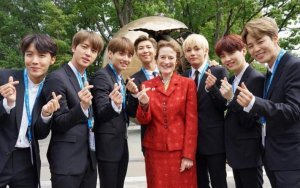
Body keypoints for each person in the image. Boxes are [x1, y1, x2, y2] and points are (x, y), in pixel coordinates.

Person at [237, 17, 300, 188]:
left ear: (275, 38)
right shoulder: (270, 71)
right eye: (250, 46)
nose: (256, 49)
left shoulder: (294, 66)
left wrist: (254, 103)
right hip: (273, 157)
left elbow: (294, 110)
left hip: (291, 160)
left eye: (260, 41)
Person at [42, 30, 104, 188]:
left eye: (94, 50)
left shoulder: (86, 79)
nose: (88, 53)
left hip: (89, 160)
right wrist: (82, 107)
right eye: (84, 47)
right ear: (73, 47)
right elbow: (59, 122)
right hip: (67, 162)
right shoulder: (57, 78)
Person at [0, 34, 61, 188]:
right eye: (29, 55)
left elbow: (41, 134)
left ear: (52, 59)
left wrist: (45, 115)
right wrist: (7, 103)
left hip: (27, 159)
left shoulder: (50, 88)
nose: (35, 61)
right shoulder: (6, 78)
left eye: (41, 56)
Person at [136, 40, 198, 187]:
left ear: (176, 61)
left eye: (171, 58)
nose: (166, 61)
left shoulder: (187, 84)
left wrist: (188, 155)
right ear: (156, 59)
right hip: (154, 152)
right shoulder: (146, 85)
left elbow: (191, 122)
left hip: (180, 151)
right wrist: (144, 104)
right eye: (162, 57)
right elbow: (143, 120)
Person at [214, 34, 264, 188]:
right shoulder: (231, 80)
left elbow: (249, 120)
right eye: (223, 56)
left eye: (231, 53)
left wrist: (230, 99)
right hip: (236, 152)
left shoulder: (256, 79)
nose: (227, 59)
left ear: (243, 51)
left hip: (249, 153)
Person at [90, 37, 138, 188]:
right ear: (110, 54)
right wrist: (113, 104)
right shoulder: (101, 76)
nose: (126, 59)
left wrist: (134, 95)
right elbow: (101, 112)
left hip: (121, 142)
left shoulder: (120, 78)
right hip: (107, 145)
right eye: (121, 54)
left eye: (129, 55)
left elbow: (130, 113)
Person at [182, 34, 228, 188]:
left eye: (196, 49)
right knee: (199, 183)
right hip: (191, 144)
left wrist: (212, 89)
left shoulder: (219, 71)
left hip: (214, 141)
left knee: (218, 182)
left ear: (205, 51)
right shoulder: (183, 76)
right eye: (188, 50)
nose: (192, 53)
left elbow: (224, 105)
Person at [127, 35, 159, 153]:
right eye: (141, 48)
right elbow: (131, 112)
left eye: (148, 47)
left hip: (173, 138)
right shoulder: (133, 80)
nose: (145, 51)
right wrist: (134, 95)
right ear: (137, 53)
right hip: (149, 138)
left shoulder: (168, 73)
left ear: (155, 51)